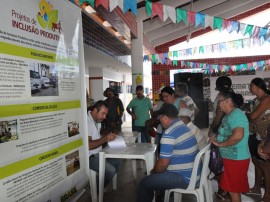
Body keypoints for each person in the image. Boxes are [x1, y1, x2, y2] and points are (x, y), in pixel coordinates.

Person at [137, 103, 199, 202]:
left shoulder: (169, 134)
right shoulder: (183, 126)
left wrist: (153, 172)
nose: (160, 121)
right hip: (194, 174)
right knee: (157, 178)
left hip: (185, 178)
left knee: (145, 183)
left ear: (165, 118)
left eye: (160, 118)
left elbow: (162, 165)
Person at [210, 89, 250, 202]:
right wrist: (216, 138)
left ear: (227, 101)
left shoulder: (236, 115)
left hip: (236, 159)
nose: (218, 104)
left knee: (233, 191)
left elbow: (238, 136)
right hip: (230, 158)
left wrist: (221, 144)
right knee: (232, 189)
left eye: (219, 101)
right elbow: (225, 132)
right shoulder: (229, 115)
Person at [245, 78, 270, 200]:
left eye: (251, 85)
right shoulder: (257, 100)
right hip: (257, 135)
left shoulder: (267, 99)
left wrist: (248, 115)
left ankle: (268, 195)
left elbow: (253, 116)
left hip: (266, 137)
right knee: (257, 162)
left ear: (257, 86)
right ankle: (256, 189)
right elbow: (252, 117)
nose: (250, 88)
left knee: (265, 166)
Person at [87, 100, 122, 187]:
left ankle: (99, 183)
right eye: (103, 114)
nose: (105, 117)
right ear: (95, 110)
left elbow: (96, 135)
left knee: (118, 161)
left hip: (99, 153)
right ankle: (93, 190)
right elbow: (89, 145)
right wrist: (105, 138)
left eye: (105, 114)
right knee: (110, 171)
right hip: (90, 157)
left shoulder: (96, 120)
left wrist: (108, 135)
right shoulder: (86, 122)